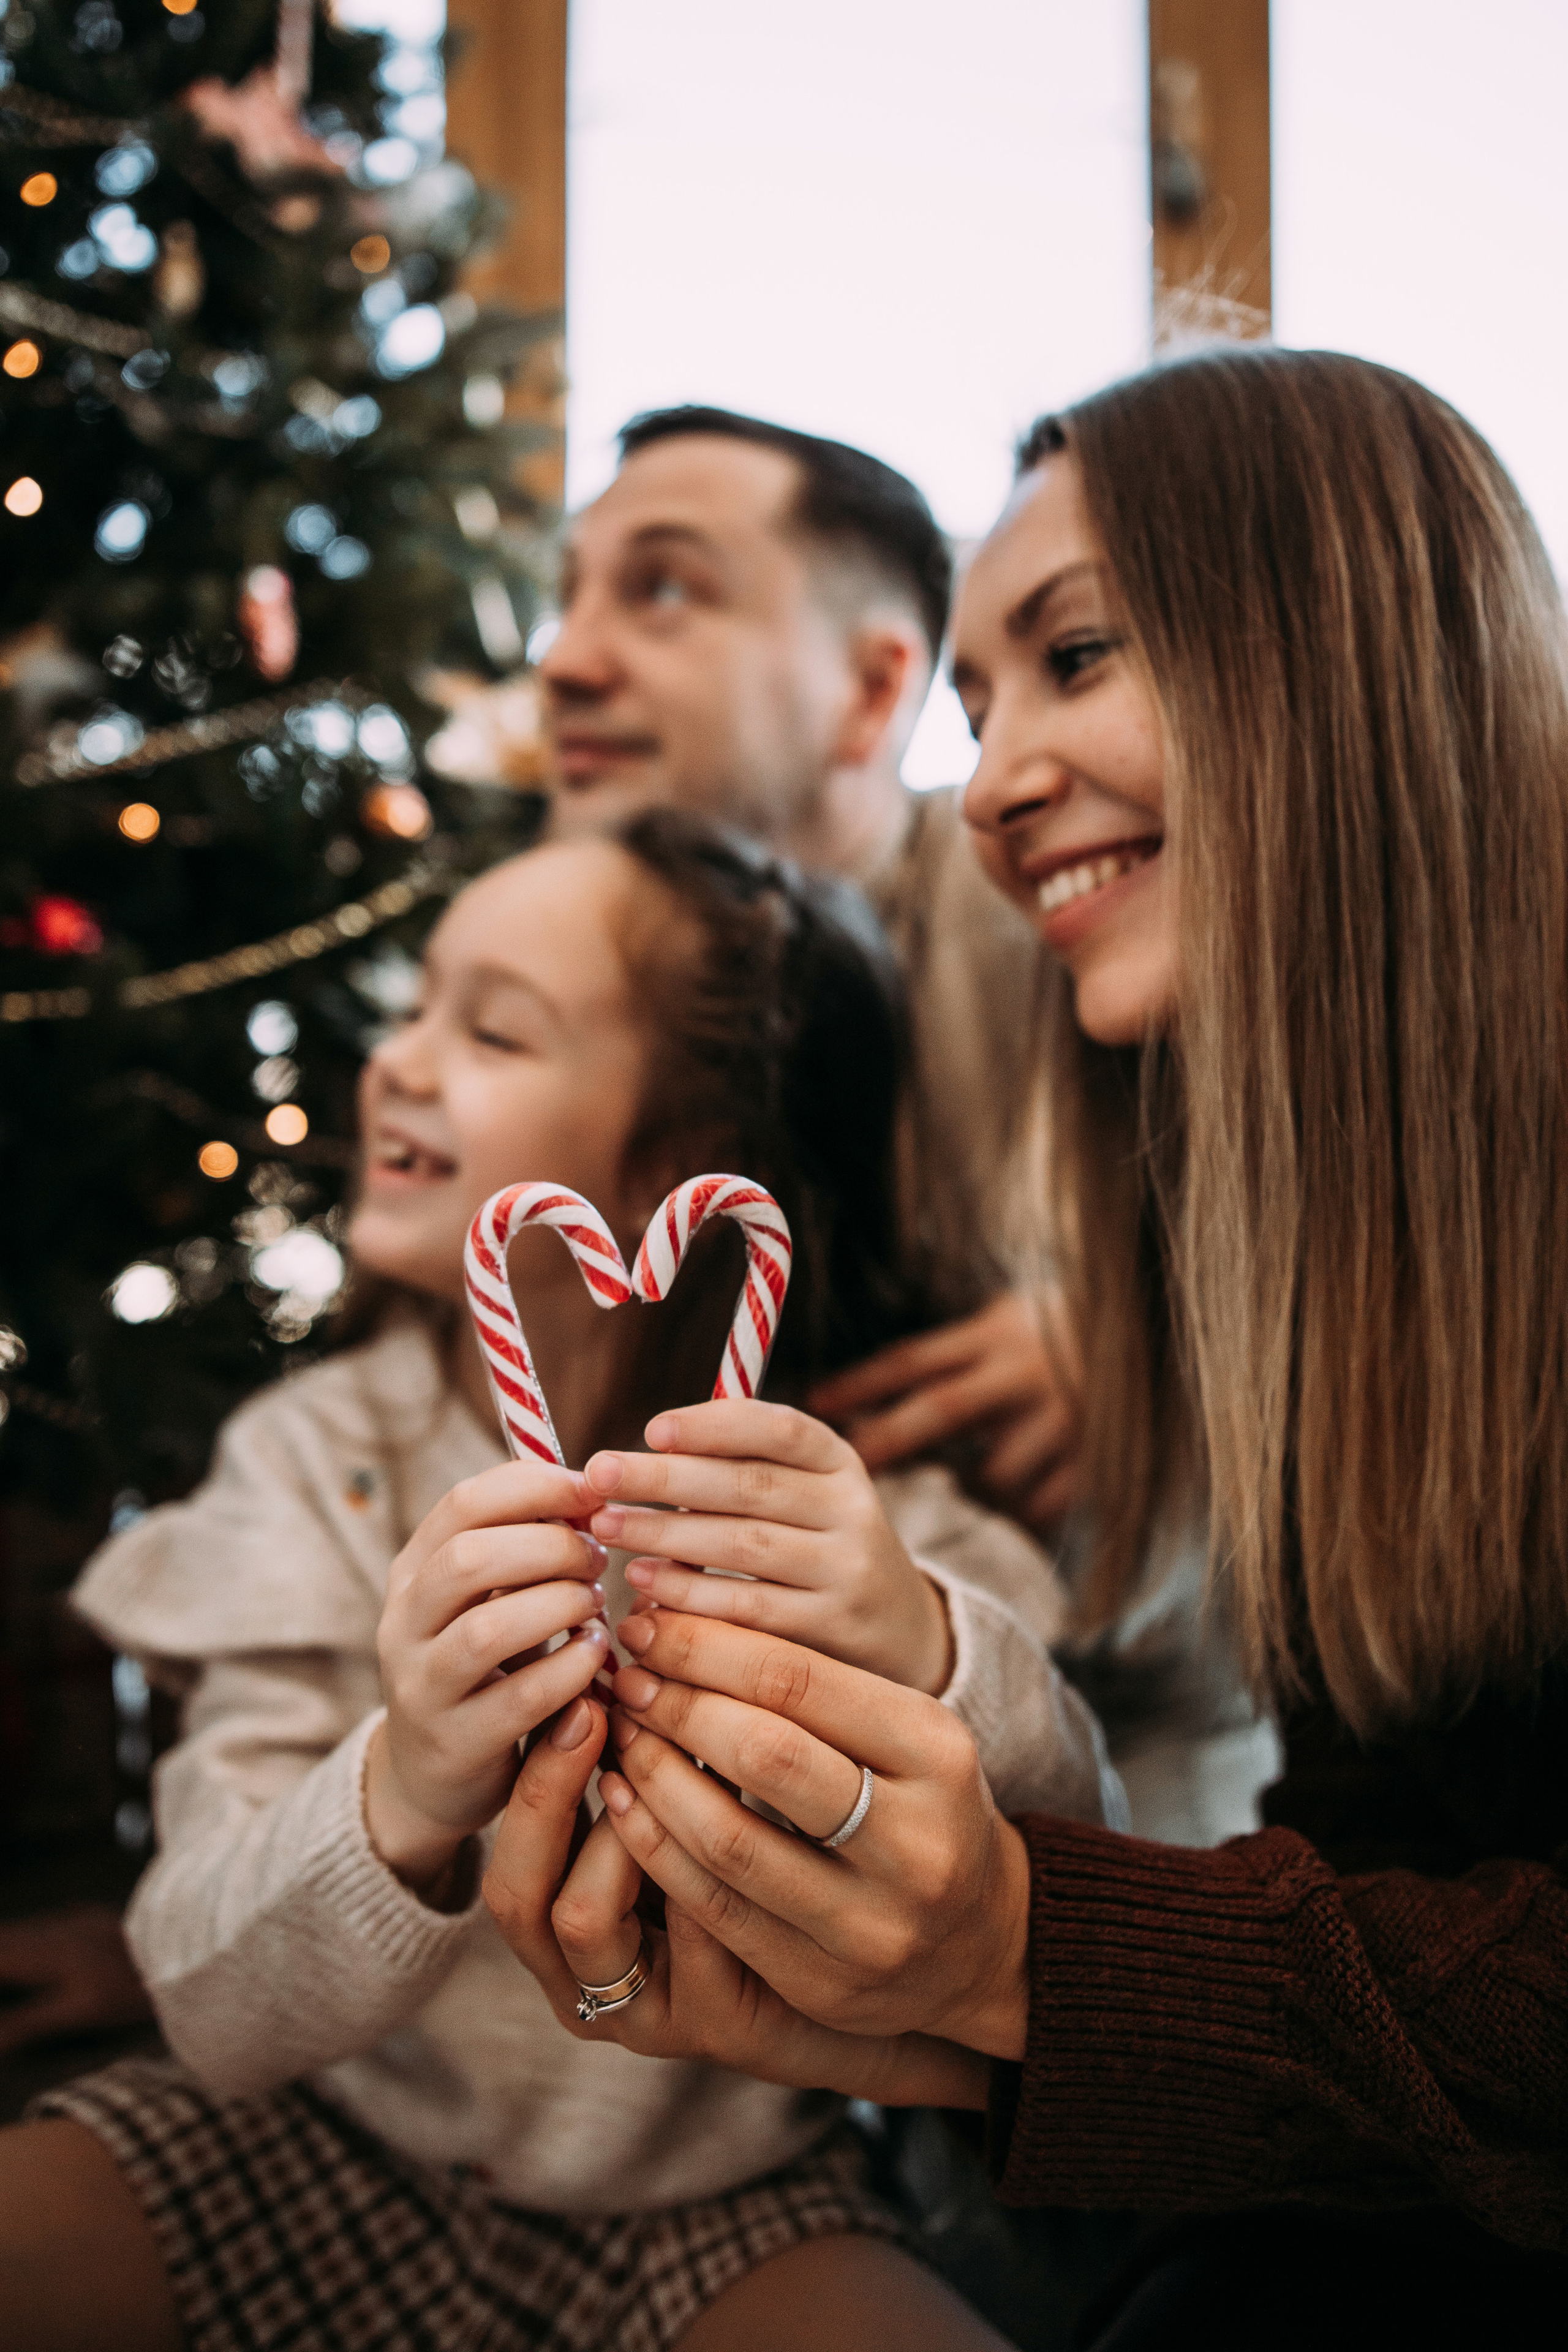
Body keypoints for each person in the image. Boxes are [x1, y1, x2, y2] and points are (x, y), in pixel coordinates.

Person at [487, 350, 1568, 2340]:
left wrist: (1018, 1945)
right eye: (988, 708)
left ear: (1336, 641)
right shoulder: (1308, 1212)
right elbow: (1392, 1866)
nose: (988, 785)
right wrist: (929, 2010)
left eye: (1077, 656)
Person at [0, 811, 1118, 2352]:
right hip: (304, 2143)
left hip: (722, 2212)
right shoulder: (315, 1466)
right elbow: (205, 1991)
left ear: (684, 1165)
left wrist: (920, 1644)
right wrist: (399, 1784)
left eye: (493, 1029)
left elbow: (1077, 1849)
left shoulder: (854, 1523)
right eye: (413, 1004)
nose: (395, 1057)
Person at [543, 405, 1077, 1532]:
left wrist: (1133, 1344)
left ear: (874, 692)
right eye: (568, 595)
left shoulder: (1058, 905)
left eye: (666, 591)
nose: (566, 663)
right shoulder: (534, 963)